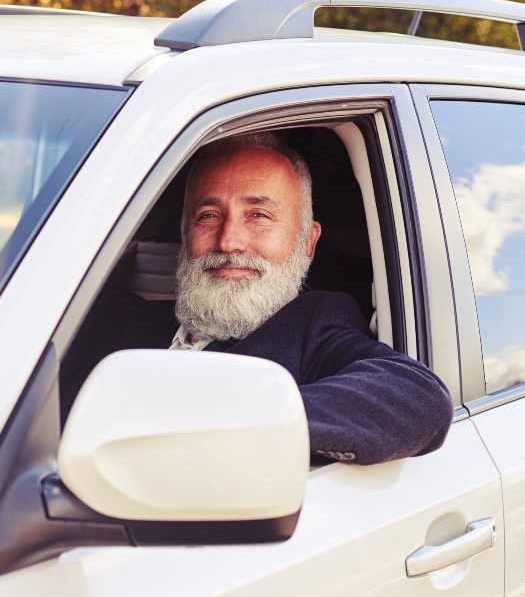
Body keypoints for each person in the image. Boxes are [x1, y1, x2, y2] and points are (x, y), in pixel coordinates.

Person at [63, 132, 452, 465]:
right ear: (185, 234)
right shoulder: (115, 319)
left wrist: (216, 415)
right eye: (209, 215)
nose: (229, 240)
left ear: (308, 243)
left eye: (259, 215)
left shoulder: (314, 327)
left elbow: (417, 397)